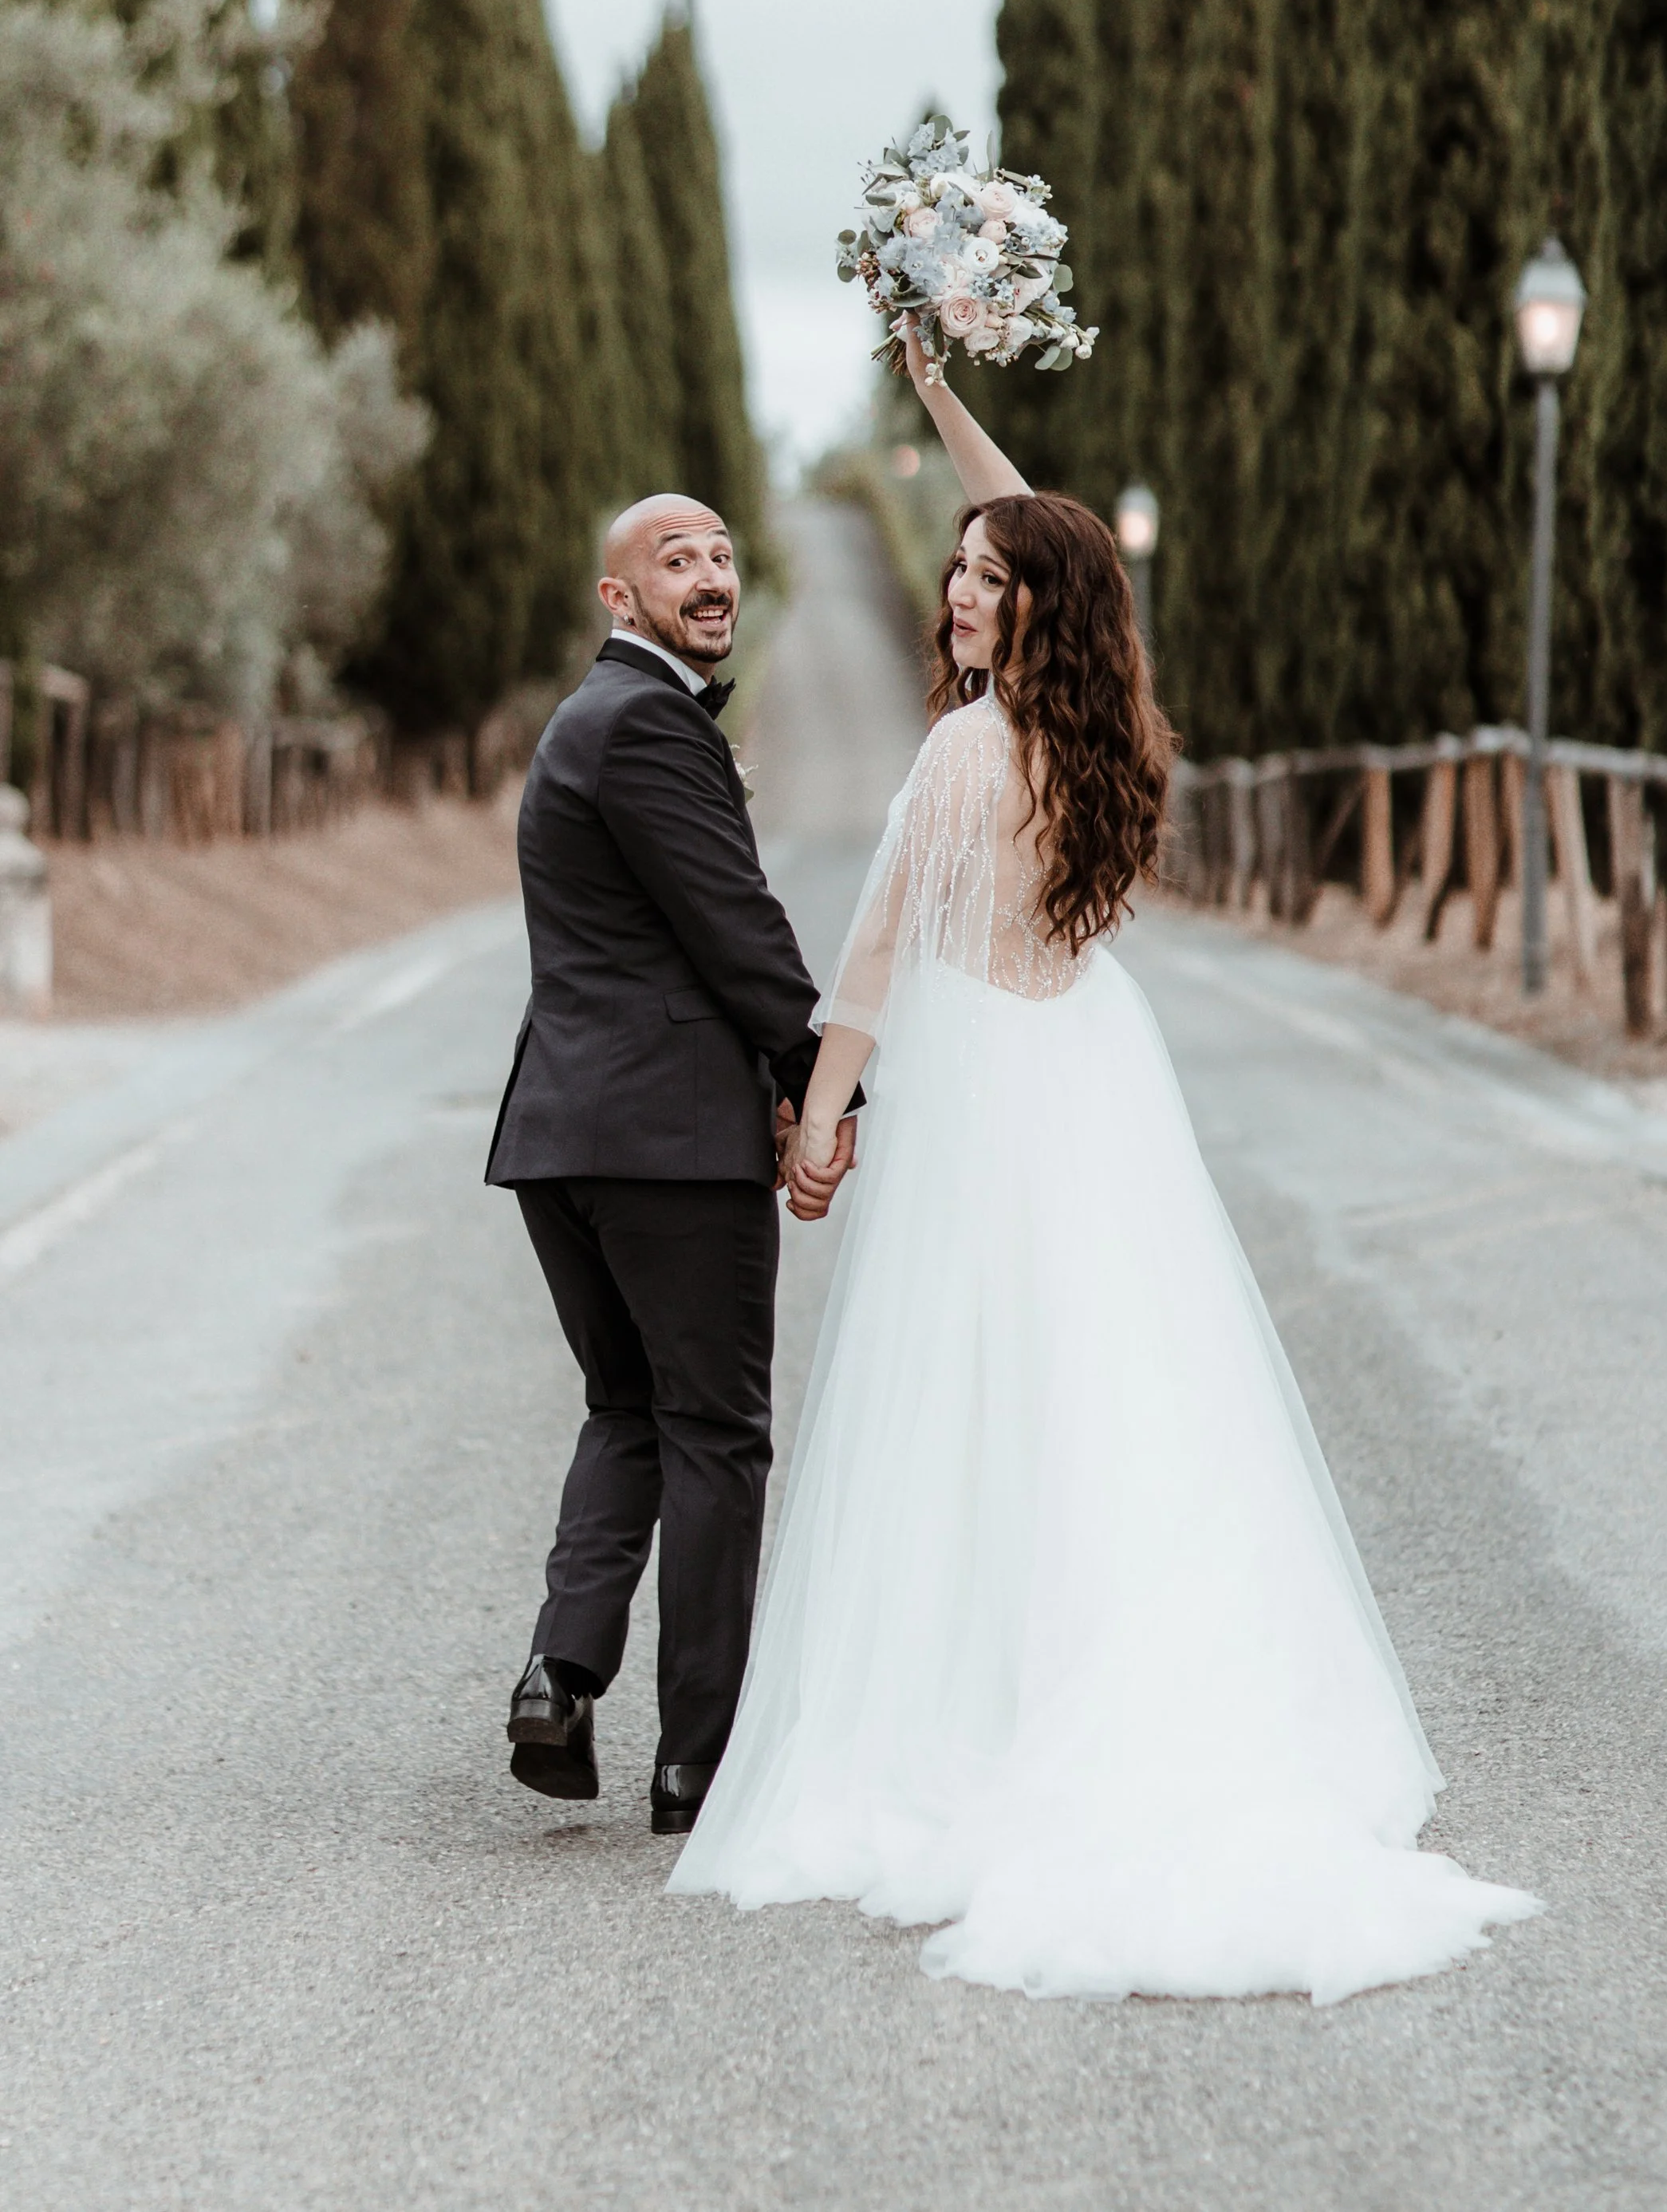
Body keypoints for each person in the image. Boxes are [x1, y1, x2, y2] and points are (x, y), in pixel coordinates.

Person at [667, 332, 1540, 2004]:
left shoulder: (962, 752)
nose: (957, 590)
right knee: (1105, 1388)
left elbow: (873, 951)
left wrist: (822, 1113)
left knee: (968, 1395)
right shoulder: (1103, 730)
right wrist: (939, 400)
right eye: (954, 570)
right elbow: (1054, 537)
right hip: (1084, 1064)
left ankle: (985, 1712)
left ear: (1033, 611)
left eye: (985, 582)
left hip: (986, 1084)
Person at [487, 493, 849, 1838]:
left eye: (722, 556)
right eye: (674, 558)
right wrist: (819, 1077)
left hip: (565, 1137)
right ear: (618, 597)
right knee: (717, 1431)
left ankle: (561, 1675)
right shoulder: (645, 721)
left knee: (629, 1405)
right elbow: (734, 924)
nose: (709, 576)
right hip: (668, 1143)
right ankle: (701, 1758)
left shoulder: (591, 721)